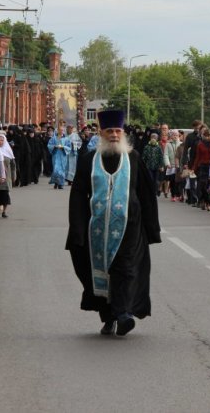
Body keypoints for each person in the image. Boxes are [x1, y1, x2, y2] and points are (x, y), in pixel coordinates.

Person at [66, 110, 161, 336]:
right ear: (101, 133)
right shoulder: (89, 160)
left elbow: (147, 195)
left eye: (118, 131)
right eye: (110, 131)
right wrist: (77, 228)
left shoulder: (134, 158)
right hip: (97, 229)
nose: (115, 135)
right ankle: (108, 317)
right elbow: (78, 194)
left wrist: (151, 228)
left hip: (130, 227)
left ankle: (123, 313)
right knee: (100, 273)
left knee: (125, 269)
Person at [0, 132, 15, 218]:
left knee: (5, 195)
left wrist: (14, 176)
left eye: (2, 140)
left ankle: (4, 211)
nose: (0, 142)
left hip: (6, 177)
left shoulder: (8, 151)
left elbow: (13, 165)